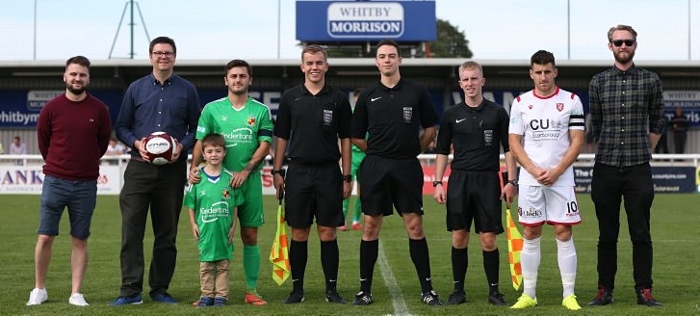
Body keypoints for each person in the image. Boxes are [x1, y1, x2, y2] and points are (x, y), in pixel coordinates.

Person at [350, 39, 441, 306]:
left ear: (399, 60)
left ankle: (428, 289)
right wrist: (378, 152)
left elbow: (431, 130)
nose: (387, 60)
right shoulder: (367, 94)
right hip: (376, 166)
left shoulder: (417, 91)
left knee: (414, 226)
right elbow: (355, 136)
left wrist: (411, 151)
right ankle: (364, 290)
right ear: (376, 62)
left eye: (392, 55)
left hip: (406, 166)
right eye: (382, 56)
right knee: (370, 226)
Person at [112, 36, 201, 306]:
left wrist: (181, 146)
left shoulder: (187, 90)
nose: (163, 57)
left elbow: (198, 129)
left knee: (166, 233)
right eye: (158, 52)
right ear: (150, 56)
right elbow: (122, 127)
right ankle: (130, 292)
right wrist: (138, 143)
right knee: (131, 231)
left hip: (172, 171)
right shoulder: (135, 89)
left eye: (168, 53)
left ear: (175, 56)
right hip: (139, 168)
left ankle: (160, 290)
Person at [588, 24, 664, 307]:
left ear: (635, 45)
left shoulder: (650, 80)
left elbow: (658, 120)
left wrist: (644, 150)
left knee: (641, 233)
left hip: (638, 168)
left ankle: (644, 289)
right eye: (618, 42)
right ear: (610, 46)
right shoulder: (598, 82)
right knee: (607, 234)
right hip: (606, 167)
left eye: (628, 42)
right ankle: (604, 290)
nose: (623, 46)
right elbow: (596, 123)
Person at [28, 55, 112, 307]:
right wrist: (59, 165)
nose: (77, 78)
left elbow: (102, 144)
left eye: (82, 74)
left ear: (88, 78)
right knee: (45, 237)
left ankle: (76, 293)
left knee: (79, 239)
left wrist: (83, 166)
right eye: (73, 74)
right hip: (55, 181)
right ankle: (39, 289)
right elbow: (44, 142)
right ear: (65, 76)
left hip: (86, 185)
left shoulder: (99, 110)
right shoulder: (51, 108)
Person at [188, 59, 273, 305]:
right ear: (226, 80)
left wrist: (246, 171)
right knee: (212, 236)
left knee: (249, 235)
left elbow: (265, 144)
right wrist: (193, 168)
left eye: (242, 76)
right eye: (233, 76)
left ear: (250, 80)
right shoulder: (212, 109)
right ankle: (208, 293)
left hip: (249, 180)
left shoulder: (260, 111)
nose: (238, 80)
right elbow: (200, 142)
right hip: (216, 184)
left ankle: (251, 291)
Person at [432, 60, 517, 306]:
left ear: (482, 81)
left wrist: (511, 181)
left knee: (488, 238)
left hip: (488, 180)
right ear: (460, 83)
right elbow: (441, 152)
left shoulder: (498, 112)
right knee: (459, 237)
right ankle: (458, 291)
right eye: (465, 79)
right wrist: (437, 182)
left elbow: (509, 150)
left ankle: (494, 292)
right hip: (459, 180)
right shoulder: (451, 114)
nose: (470, 83)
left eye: (474, 78)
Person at [272, 44, 352, 304]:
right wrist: (276, 170)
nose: (314, 67)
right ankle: (297, 290)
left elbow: (346, 139)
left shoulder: (339, 99)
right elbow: (281, 136)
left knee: (328, 232)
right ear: (302, 66)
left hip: (329, 172)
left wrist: (347, 175)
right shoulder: (290, 98)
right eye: (310, 63)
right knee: (299, 233)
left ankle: (331, 290)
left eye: (319, 62)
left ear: (326, 66)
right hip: (298, 172)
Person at [507, 50, 585, 311]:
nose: (543, 77)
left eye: (547, 71)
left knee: (563, 232)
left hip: (561, 179)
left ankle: (569, 294)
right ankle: (529, 294)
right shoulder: (520, 102)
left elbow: (577, 140)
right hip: (530, 179)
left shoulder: (572, 100)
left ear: (555, 72)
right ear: (531, 73)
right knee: (530, 231)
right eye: (538, 72)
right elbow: (514, 142)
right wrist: (531, 169)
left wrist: (557, 170)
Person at [185, 133, 244, 307]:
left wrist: (234, 225)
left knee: (223, 264)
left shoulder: (230, 178)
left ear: (224, 153)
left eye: (218, 151)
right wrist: (193, 223)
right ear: (203, 154)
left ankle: (221, 296)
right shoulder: (197, 179)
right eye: (209, 151)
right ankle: (206, 295)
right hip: (205, 229)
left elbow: (235, 204)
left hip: (224, 229)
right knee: (206, 264)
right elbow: (191, 204)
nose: (214, 154)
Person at [340, 88, 365, 231]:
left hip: (366, 155)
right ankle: (342, 220)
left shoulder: (370, 113)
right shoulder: (349, 113)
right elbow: (343, 136)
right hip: (352, 155)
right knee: (346, 188)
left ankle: (356, 220)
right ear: (355, 98)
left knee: (363, 191)